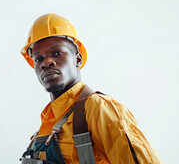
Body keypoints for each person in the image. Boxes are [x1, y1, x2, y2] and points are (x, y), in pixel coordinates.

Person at [20, 13, 162, 164]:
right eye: (38, 58)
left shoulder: (98, 108)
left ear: (78, 58)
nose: (46, 62)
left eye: (57, 53)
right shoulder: (47, 121)